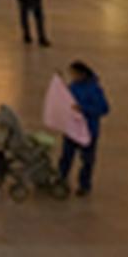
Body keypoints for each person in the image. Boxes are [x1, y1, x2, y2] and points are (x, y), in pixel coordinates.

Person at [51, 62, 109, 196]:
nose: (73, 76)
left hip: (88, 131)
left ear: (82, 74)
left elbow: (104, 109)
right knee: (66, 156)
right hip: (72, 129)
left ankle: (84, 185)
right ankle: (61, 178)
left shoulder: (95, 90)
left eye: (74, 74)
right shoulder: (74, 86)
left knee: (87, 160)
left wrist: (83, 108)